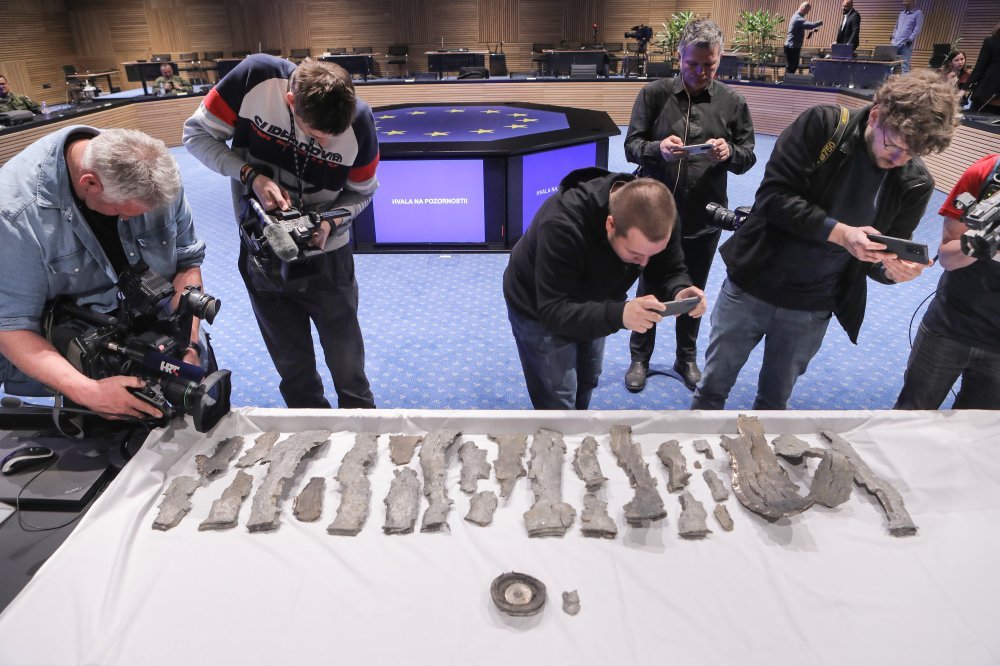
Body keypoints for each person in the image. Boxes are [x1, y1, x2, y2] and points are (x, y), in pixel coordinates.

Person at [691, 70, 960, 411]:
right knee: (712, 389)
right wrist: (843, 234)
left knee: (774, 402)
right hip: (754, 281)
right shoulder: (823, 125)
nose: (898, 161)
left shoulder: (915, 182)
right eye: (894, 146)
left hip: (813, 302)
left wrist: (893, 270)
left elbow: (882, 252)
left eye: (911, 155)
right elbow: (773, 199)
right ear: (876, 115)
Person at [183, 54, 379, 409]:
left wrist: (329, 221)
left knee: (349, 369)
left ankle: (363, 425)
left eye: (330, 139)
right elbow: (196, 135)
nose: (324, 146)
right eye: (315, 135)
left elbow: (362, 193)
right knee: (294, 370)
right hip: (262, 253)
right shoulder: (254, 78)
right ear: (291, 101)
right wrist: (250, 176)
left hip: (328, 258)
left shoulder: (360, 121)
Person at [0, 127, 207, 420]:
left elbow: (187, 262)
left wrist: (190, 343)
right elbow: (10, 327)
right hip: (85, 352)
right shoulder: (15, 216)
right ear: (90, 183)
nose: (132, 221)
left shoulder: (155, 174)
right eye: (126, 213)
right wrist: (88, 392)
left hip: (159, 327)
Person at [622, 18, 756, 393]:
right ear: (679, 56)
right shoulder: (654, 94)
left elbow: (748, 157)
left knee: (694, 291)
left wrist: (730, 153)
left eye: (708, 64)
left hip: (704, 215)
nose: (699, 72)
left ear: (720, 58)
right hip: (655, 216)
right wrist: (657, 149)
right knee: (650, 286)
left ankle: (686, 357)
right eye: (692, 63)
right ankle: (640, 357)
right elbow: (631, 146)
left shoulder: (733, 102)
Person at [503, 170, 706, 410]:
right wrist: (619, 314)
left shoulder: (660, 216)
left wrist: (680, 289)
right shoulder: (561, 224)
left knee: (588, 377)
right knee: (558, 395)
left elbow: (670, 268)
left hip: (598, 296)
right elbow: (554, 311)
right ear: (611, 224)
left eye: (651, 254)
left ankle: (577, 420)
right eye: (635, 254)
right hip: (538, 306)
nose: (643, 263)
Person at [895, 154, 1000, 410]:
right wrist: (981, 242)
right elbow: (947, 257)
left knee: (979, 429)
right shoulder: (986, 171)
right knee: (910, 417)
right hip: (950, 325)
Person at [968, 22, 1000, 113]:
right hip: (986, 95)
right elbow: (979, 68)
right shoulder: (991, 42)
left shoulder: (990, 42)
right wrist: (964, 89)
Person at [784, 2, 823, 77]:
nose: (807, 13)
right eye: (807, 11)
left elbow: (803, 27)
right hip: (792, 47)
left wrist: (812, 30)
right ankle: (786, 81)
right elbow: (810, 25)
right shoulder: (798, 18)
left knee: (792, 66)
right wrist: (820, 23)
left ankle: (787, 80)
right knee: (792, 66)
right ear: (803, 9)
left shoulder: (796, 16)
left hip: (793, 46)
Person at [891, 0, 923, 74]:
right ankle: (890, 80)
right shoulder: (901, 13)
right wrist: (893, 38)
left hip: (906, 44)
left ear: (913, 1)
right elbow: (896, 27)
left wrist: (910, 39)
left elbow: (917, 29)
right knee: (892, 64)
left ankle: (904, 81)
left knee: (905, 66)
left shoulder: (918, 13)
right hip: (895, 43)